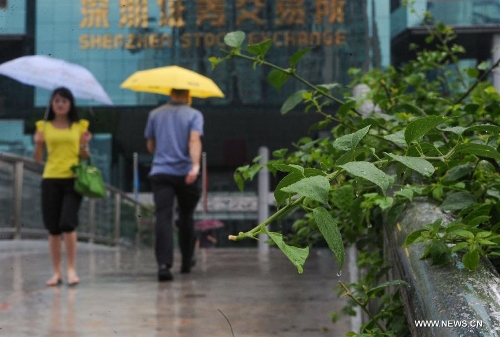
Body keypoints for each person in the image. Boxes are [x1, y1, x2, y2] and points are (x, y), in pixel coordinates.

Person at [33, 87, 92, 287]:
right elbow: (38, 159)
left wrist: (84, 144)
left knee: (68, 223)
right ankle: (56, 272)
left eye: (64, 101)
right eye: (57, 100)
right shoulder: (43, 126)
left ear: (70, 104)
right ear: (51, 103)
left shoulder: (79, 126)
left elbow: (85, 156)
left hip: (73, 179)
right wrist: (38, 144)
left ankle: (71, 269)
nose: (60, 104)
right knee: (53, 229)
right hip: (50, 179)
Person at [145, 88, 203, 282]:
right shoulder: (194, 114)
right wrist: (195, 167)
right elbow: (194, 141)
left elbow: (151, 146)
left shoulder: (154, 114)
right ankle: (186, 261)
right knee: (186, 216)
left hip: (161, 173)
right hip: (186, 173)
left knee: (163, 217)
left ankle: (164, 265)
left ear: (170, 92)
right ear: (188, 94)